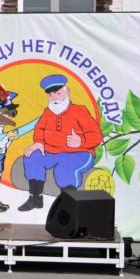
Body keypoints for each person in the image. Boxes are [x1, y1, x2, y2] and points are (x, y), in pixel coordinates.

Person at [17, 74, 102, 211]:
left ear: (67, 92)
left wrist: (81, 141)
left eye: (58, 93)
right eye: (50, 95)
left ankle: (68, 205)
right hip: (51, 151)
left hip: (78, 153)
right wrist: (38, 142)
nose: (54, 98)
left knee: (64, 169)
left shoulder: (80, 111)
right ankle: (35, 198)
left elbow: (97, 136)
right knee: (33, 157)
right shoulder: (47, 112)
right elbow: (40, 128)